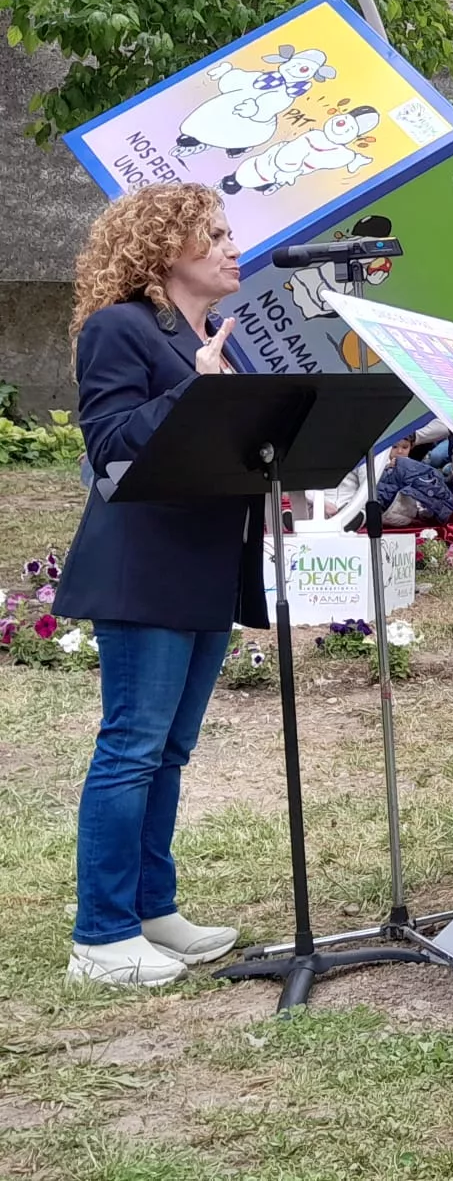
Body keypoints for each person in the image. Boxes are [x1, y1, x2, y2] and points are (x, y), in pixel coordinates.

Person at [55, 184, 263, 986]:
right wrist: (196, 388)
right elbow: (107, 447)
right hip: (142, 568)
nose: (229, 246)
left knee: (169, 751)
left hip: (202, 566)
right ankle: (101, 939)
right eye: (212, 234)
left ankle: (151, 910)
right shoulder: (120, 329)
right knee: (132, 748)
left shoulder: (205, 335)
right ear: (165, 248)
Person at [375, 432, 453, 528]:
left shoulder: (416, 468)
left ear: (411, 447)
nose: (400, 451)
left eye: (405, 447)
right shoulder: (378, 465)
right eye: (394, 447)